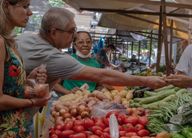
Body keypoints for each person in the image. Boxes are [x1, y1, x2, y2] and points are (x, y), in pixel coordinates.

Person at [17, 7, 166, 90]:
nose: (74, 35)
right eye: (71, 31)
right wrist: (146, 81)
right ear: (54, 32)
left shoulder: (25, 37)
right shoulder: (53, 57)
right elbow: (102, 76)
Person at [0, 0, 50, 138]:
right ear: (6, 6)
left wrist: (29, 79)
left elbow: (11, 85)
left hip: (13, 136)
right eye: (25, 6)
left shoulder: (9, 41)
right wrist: (33, 101)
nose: (29, 12)